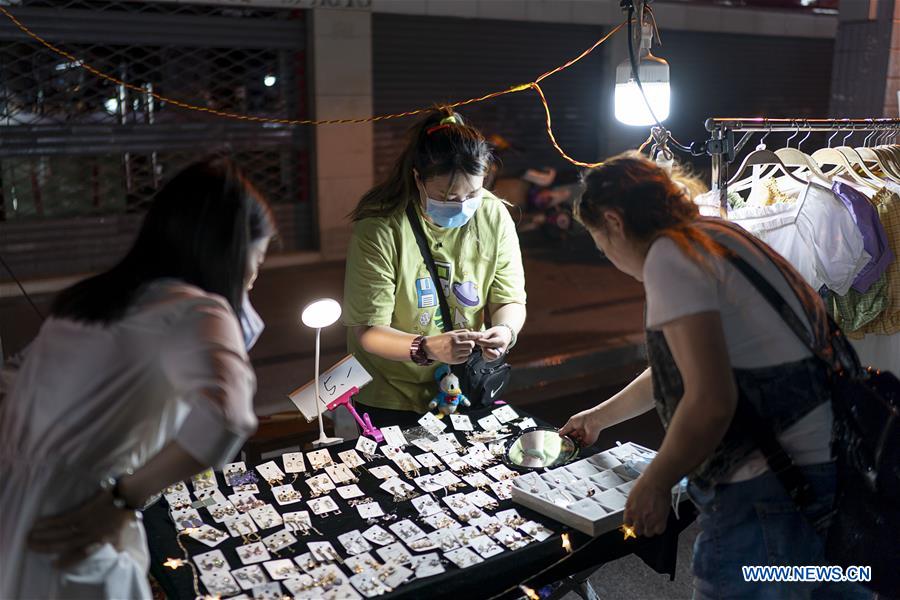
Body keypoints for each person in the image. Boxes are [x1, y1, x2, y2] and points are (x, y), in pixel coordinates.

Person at [560, 153, 866, 598]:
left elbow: (710, 399)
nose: (606, 256)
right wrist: (598, 417)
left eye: (600, 243)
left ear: (613, 221)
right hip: (830, 467)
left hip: (770, 487)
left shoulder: (670, 256)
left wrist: (655, 480)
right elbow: (690, 366)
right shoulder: (718, 234)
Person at [0, 157, 275, 599]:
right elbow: (228, 417)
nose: (256, 276)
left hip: (15, 503)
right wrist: (124, 498)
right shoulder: (195, 309)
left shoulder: (92, 300)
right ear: (230, 251)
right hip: (78, 517)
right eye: (257, 259)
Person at [343, 108, 527, 426]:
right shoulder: (380, 226)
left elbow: (509, 298)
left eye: (472, 193)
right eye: (446, 195)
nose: (461, 205)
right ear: (418, 178)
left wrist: (505, 330)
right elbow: (368, 331)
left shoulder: (493, 214)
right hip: (390, 393)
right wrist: (426, 347)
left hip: (462, 385)